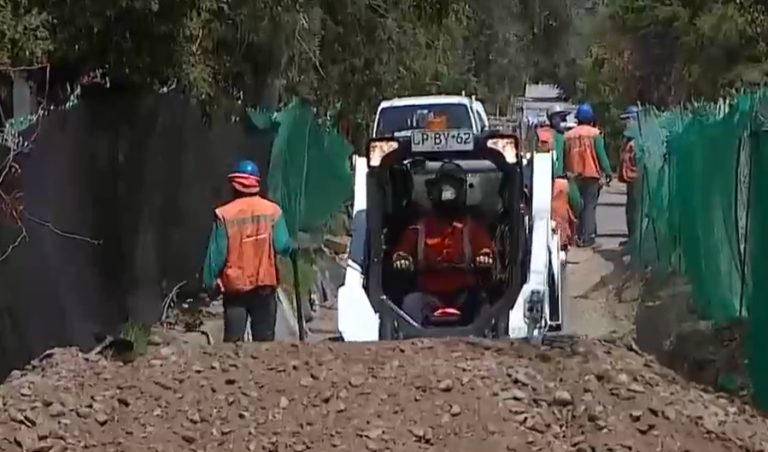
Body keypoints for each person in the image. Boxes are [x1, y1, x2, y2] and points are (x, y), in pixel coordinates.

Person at [391, 162, 495, 325]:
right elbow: (401, 252)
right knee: (409, 305)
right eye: (443, 187)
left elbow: (486, 249)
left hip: (465, 295)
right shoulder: (418, 229)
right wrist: (402, 260)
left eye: (453, 187)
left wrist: (484, 258)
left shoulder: (472, 228)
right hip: (427, 294)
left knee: (485, 309)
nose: (447, 193)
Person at [202, 160, 294, 342]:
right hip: (264, 285)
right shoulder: (272, 211)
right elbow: (282, 246)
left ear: (233, 185)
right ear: (257, 184)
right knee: (264, 343)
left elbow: (216, 255)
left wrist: (209, 281)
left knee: (233, 344)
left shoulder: (224, 214)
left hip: (235, 289)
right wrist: (292, 246)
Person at [563, 103, 613, 248]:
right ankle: (589, 237)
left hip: (573, 175)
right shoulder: (595, 134)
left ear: (577, 119)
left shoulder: (568, 136)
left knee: (577, 206)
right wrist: (608, 172)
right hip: (591, 175)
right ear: (591, 119)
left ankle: (577, 235)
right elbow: (601, 155)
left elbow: (565, 155)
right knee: (590, 206)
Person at [618, 105, 640, 247]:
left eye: (628, 120)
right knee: (630, 210)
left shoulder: (639, 140)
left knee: (636, 210)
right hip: (630, 179)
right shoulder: (628, 139)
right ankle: (631, 238)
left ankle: (636, 240)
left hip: (638, 180)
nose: (626, 123)